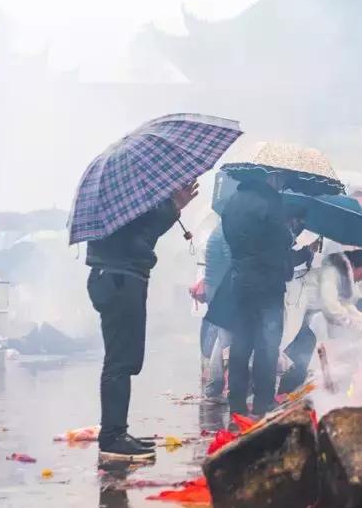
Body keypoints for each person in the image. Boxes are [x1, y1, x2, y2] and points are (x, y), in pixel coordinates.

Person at [86, 183, 197, 462]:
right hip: (120, 279)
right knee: (120, 361)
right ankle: (113, 437)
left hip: (118, 279)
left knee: (125, 359)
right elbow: (138, 240)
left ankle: (116, 432)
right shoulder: (120, 202)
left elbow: (142, 234)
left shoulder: (117, 200)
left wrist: (172, 210)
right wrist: (171, 209)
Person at [207, 175, 315, 418]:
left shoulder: (233, 202)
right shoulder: (270, 202)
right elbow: (281, 240)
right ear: (272, 178)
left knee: (240, 344)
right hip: (267, 283)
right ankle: (262, 403)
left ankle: (236, 405)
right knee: (267, 344)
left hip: (240, 282)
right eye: (280, 179)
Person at [278, 249, 362, 395]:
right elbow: (331, 307)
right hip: (292, 300)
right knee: (282, 344)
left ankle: (286, 389)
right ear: (352, 266)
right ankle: (267, 388)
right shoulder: (331, 273)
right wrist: (355, 326)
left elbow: (346, 306)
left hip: (300, 311)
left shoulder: (342, 281)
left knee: (306, 341)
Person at [197, 224, 232, 402]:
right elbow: (232, 258)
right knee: (227, 339)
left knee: (222, 337)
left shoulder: (220, 228)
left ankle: (215, 385)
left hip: (217, 287)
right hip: (221, 289)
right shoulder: (226, 230)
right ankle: (225, 386)